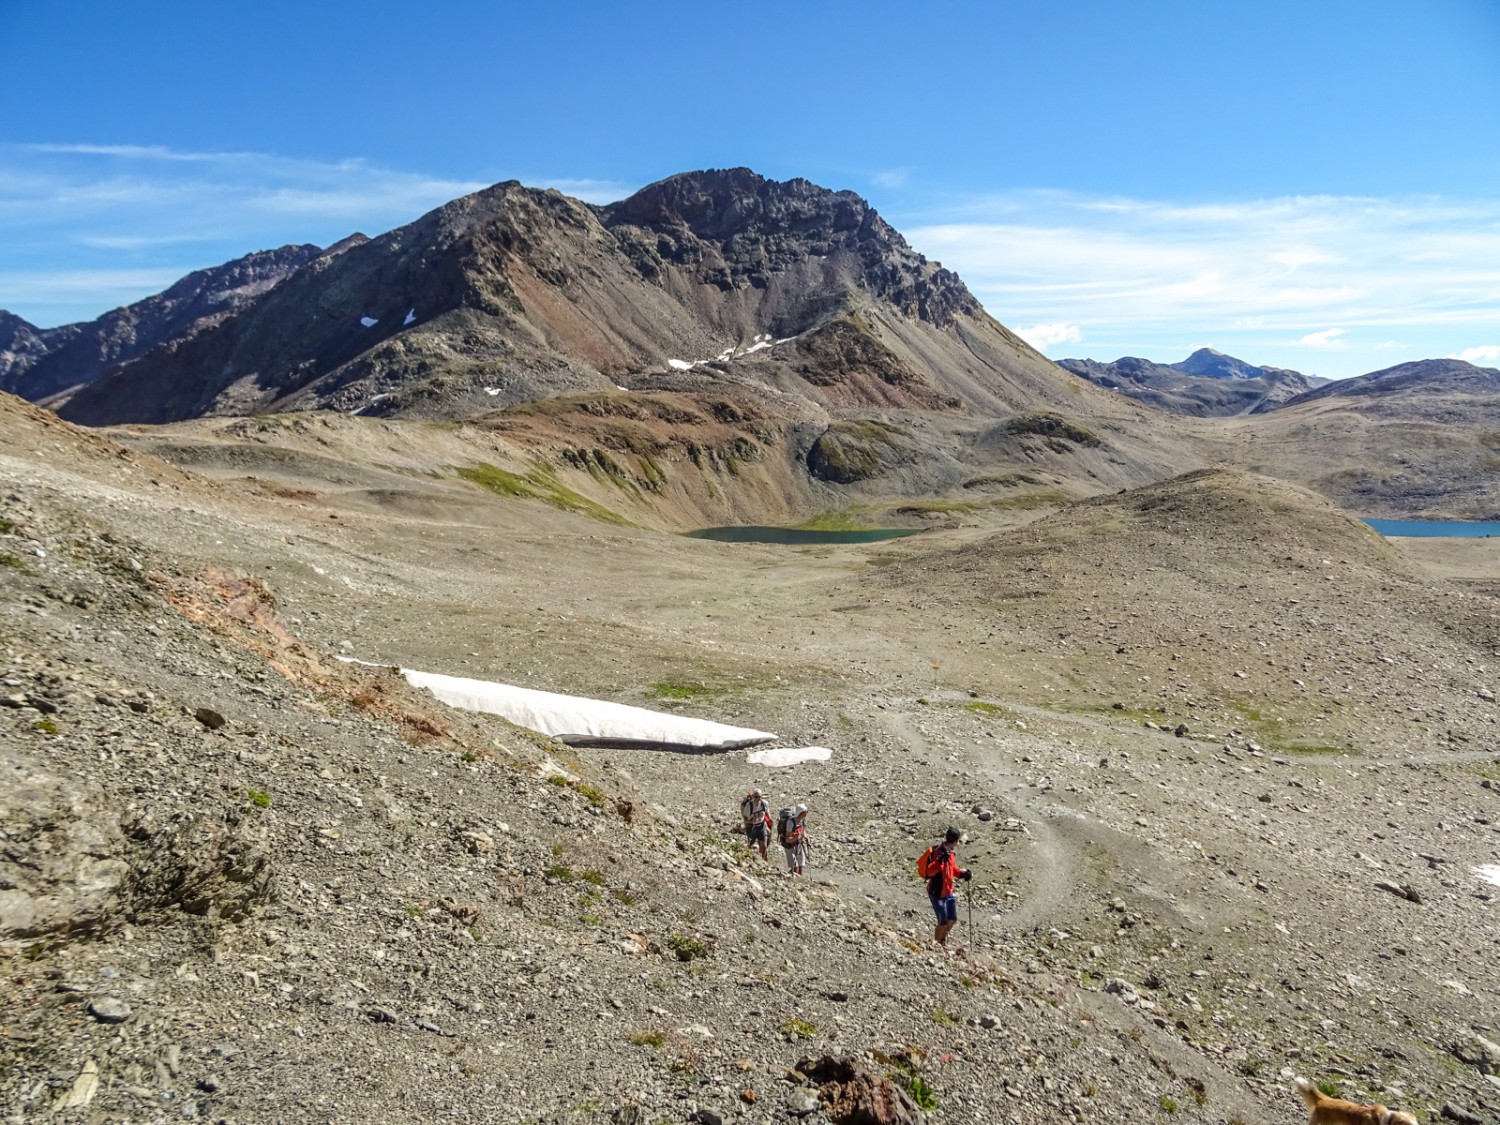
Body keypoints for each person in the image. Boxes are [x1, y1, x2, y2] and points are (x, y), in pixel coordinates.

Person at [925, 827, 972, 946]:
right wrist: (940, 861)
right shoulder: (939, 852)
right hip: (937, 893)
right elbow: (929, 872)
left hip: (948, 892)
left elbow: (953, 870)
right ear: (956, 841)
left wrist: (963, 873)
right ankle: (936, 944)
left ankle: (941, 941)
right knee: (943, 922)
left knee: (952, 919)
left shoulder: (950, 852)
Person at [740, 788, 771, 861]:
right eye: (756, 797)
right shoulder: (749, 806)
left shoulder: (764, 804)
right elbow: (745, 819)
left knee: (764, 846)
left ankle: (763, 861)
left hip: (761, 826)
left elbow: (767, 816)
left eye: (759, 797)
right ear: (753, 796)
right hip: (752, 827)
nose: (758, 799)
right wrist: (751, 822)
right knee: (751, 845)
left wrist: (768, 825)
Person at [780, 803, 809, 875]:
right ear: (801, 813)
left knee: (800, 865)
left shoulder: (801, 820)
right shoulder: (790, 822)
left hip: (799, 844)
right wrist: (796, 837)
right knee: (795, 867)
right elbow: (787, 839)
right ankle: (793, 881)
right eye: (806, 812)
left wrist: (806, 837)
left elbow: (802, 830)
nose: (807, 813)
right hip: (790, 846)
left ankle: (799, 881)